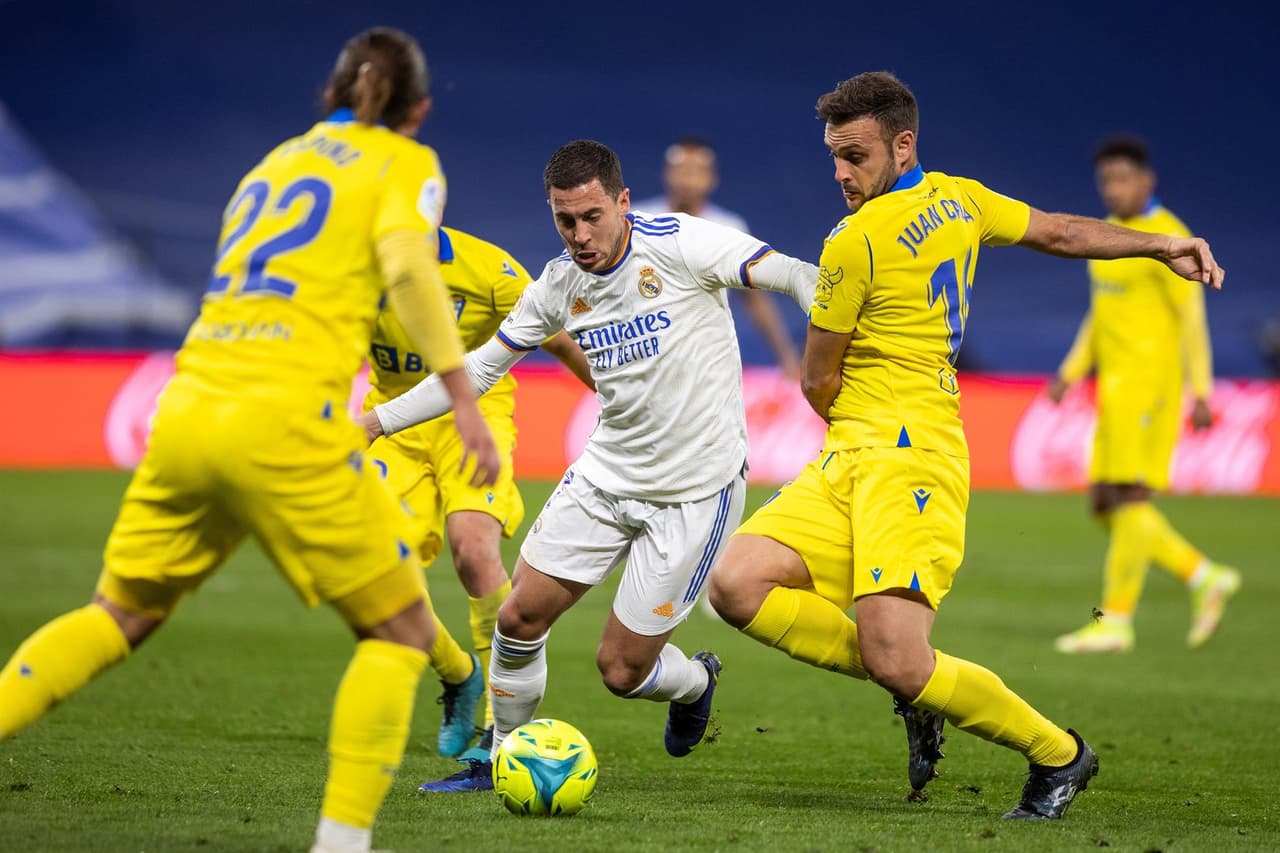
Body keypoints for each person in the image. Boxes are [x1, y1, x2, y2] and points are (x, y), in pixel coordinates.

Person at [0, 28, 502, 853]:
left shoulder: (270, 166)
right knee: (399, 633)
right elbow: (412, 273)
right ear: (419, 109)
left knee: (118, 613)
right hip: (286, 419)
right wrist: (462, 397)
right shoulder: (406, 163)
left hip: (190, 406)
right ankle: (341, 844)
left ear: (331, 94)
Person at [707, 72, 1224, 820]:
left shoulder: (852, 243)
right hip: (861, 451)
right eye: (833, 157)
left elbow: (818, 378)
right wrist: (1159, 244)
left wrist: (873, 420)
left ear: (902, 142)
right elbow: (1062, 231)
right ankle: (917, 685)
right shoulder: (962, 198)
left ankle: (1058, 754)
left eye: (854, 155)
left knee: (897, 654)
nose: (841, 173)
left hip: (909, 453)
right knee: (737, 584)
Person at [360, 139, 818, 792]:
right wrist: (375, 421)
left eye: (592, 216)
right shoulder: (557, 286)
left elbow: (789, 273)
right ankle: (502, 759)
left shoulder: (683, 242)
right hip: (606, 478)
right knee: (517, 617)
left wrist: (825, 320)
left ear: (623, 202)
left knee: (620, 670)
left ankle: (695, 680)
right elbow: (478, 370)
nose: (580, 234)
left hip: (692, 492)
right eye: (564, 220)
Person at [362, 224, 593, 765]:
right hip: (393, 422)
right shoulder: (350, 267)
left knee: (472, 548)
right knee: (373, 569)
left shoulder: (488, 269)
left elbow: (556, 336)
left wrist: (619, 399)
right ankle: (458, 674)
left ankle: (497, 715)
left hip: (473, 413)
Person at [1049, 137, 1240, 654]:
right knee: (1103, 502)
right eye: (1105, 180)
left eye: (1122, 178)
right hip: (1114, 388)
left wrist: (1201, 390)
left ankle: (1117, 620)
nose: (1113, 188)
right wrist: (1072, 369)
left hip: (1151, 389)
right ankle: (1203, 575)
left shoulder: (1171, 238)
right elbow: (1101, 313)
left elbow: (1192, 318)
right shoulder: (1112, 238)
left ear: (1146, 180)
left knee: (1128, 498)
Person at [633, 138, 803, 380]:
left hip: (704, 360)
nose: (687, 180)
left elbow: (754, 299)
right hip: (641, 355)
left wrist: (786, 356)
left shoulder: (729, 228)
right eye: (682, 171)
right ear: (667, 173)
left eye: (696, 172)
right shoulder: (636, 222)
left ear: (711, 178)